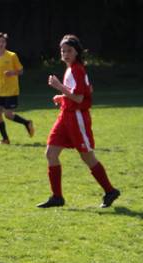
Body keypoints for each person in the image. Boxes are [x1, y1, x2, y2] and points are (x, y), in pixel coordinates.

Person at [37, 34, 121, 209]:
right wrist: (62, 97)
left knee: (87, 156)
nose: (65, 53)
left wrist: (60, 87)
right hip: (65, 116)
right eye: (63, 50)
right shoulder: (71, 69)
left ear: (76, 52)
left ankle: (110, 190)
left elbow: (79, 97)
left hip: (77, 118)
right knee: (50, 153)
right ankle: (57, 197)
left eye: (69, 50)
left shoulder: (77, 69)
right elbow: (77, 93)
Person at [0, 32, 34, 144]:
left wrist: (12, 72)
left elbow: (21, 71)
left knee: (8, 115)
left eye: (3, 41)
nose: (1, 44)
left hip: (11, 90)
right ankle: (5, 139)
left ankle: (27, 123)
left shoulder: (12, 56)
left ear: (5, 43)